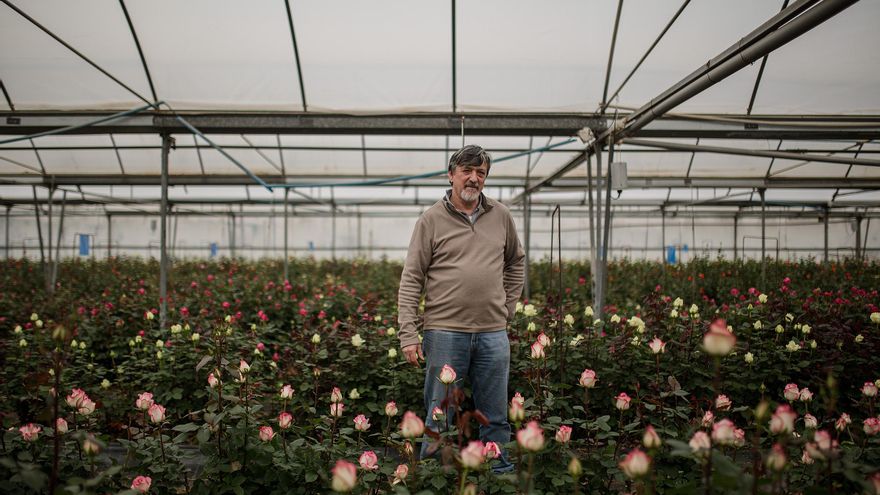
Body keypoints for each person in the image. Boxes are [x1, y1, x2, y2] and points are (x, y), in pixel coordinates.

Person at [397, 144, 525, 472]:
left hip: (492, 333)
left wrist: (508, 306)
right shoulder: (431, 220)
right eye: (467, 171)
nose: (473, 178)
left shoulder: (501, 216)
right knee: (439, 413)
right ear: (451, 175)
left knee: (495, 416)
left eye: (480, 172)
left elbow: (516, 262)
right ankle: (432, 479)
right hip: (444, 333)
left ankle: (498, 475)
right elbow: (412, 277)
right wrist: (408, 333)